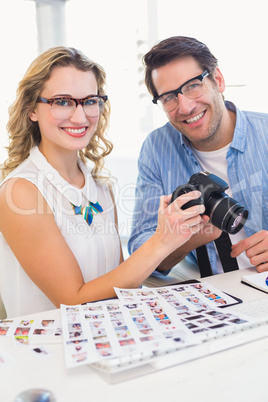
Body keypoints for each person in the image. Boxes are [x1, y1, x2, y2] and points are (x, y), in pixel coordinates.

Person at [0, 46, 205, 318]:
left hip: (108, 344)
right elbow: (72, 301)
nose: (80, 116)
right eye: (62, 101)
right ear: (31, 110)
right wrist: (162, 241)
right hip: (49, 353)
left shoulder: (101, 186)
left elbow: (122, 285)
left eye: (89, 100)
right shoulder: (20, 192)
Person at [128, 35, 268, 277]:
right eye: (169, 97)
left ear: (218, 80)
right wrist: (183, 240)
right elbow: (142, 254)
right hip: (208, 300)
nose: (185, 107)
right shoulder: (156, 148)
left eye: (193, 85)